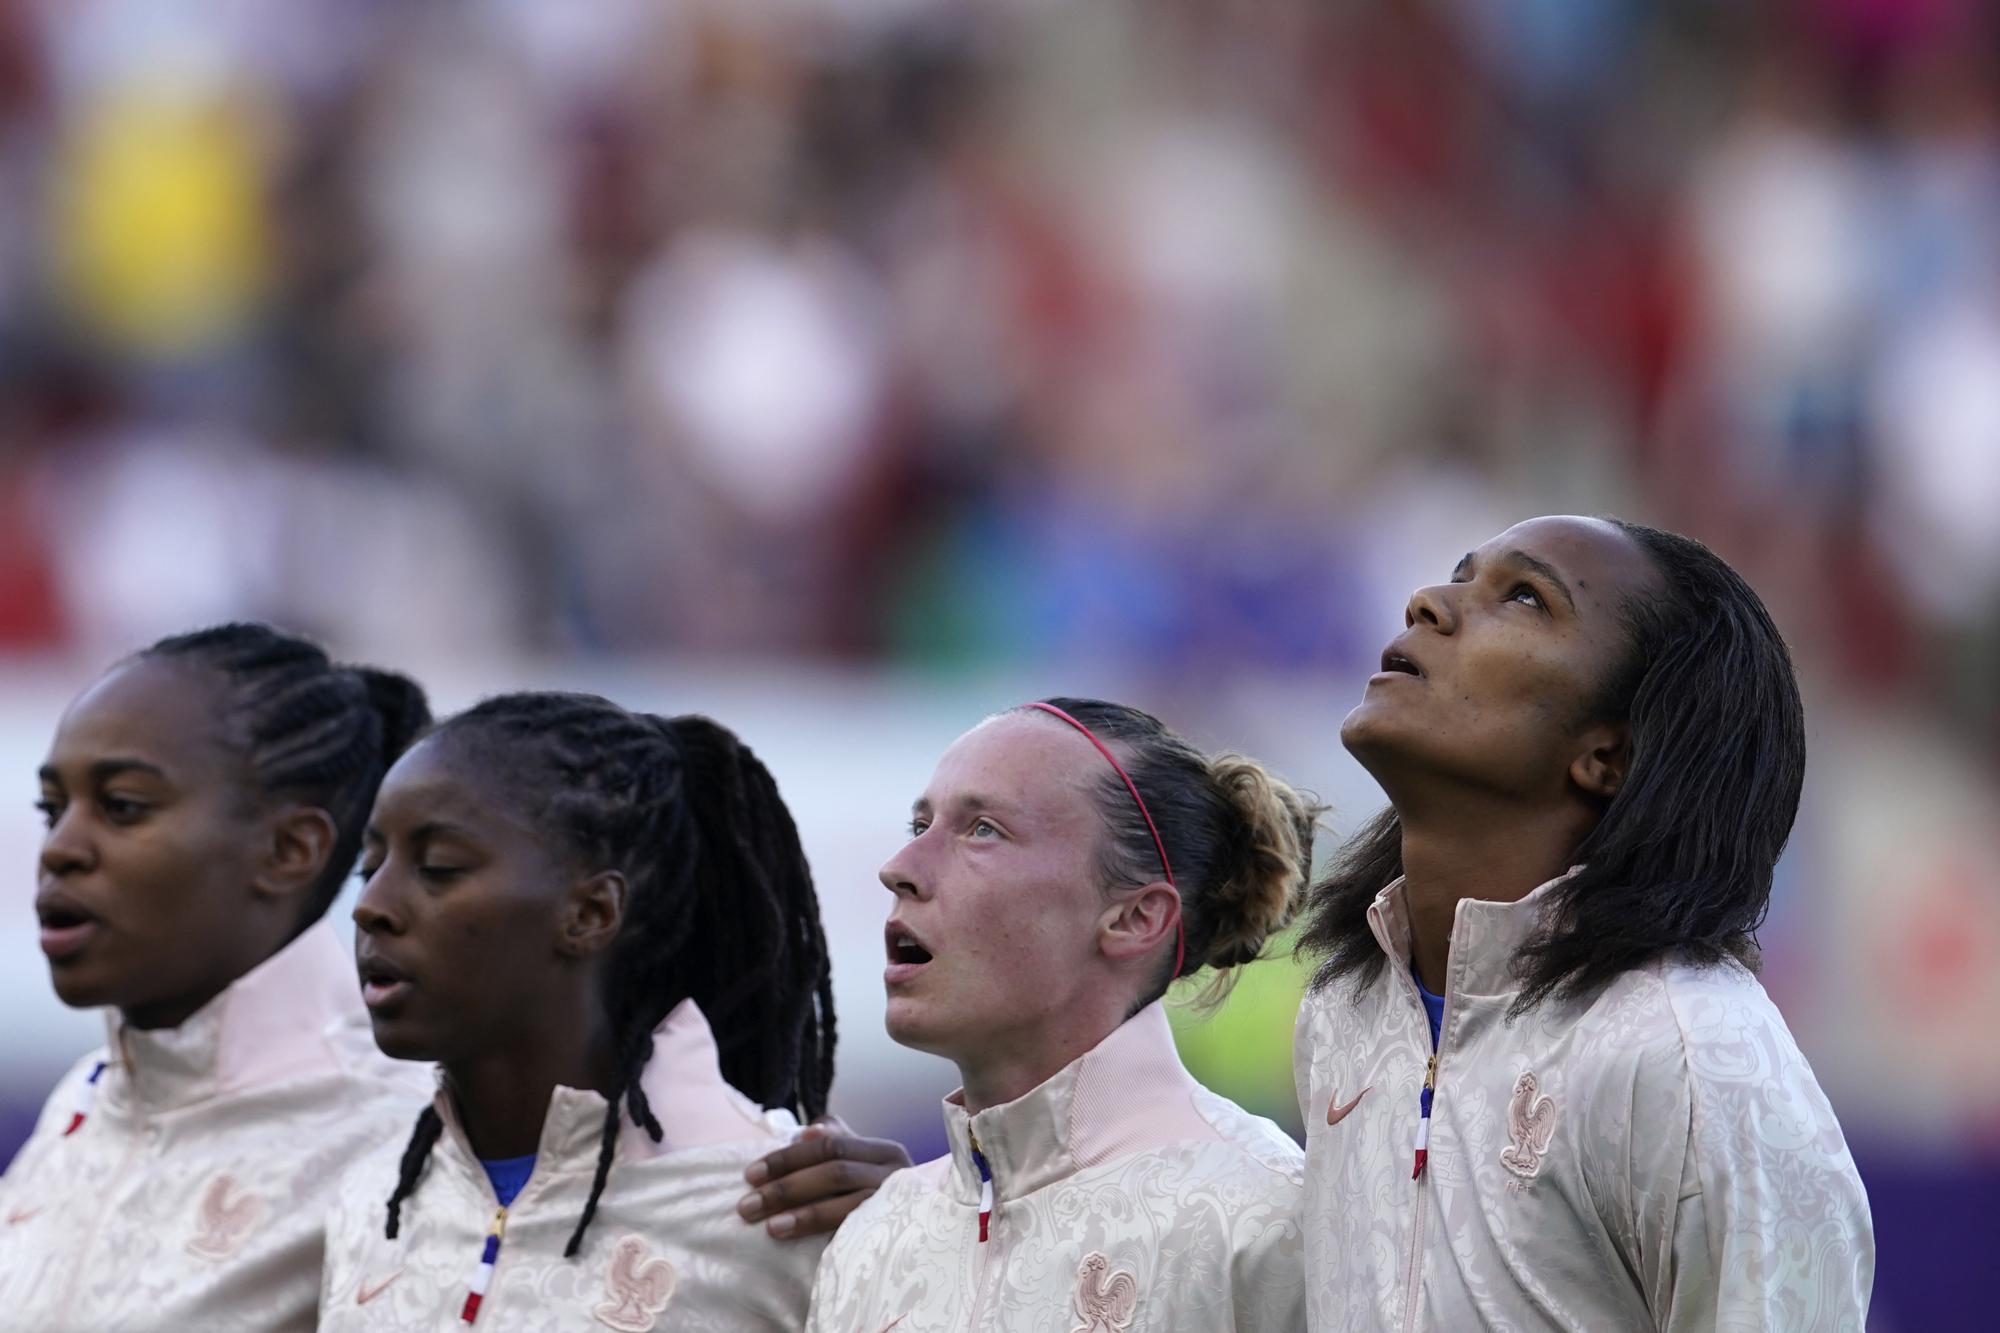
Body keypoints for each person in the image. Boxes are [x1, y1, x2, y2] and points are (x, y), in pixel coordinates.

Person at [1294, 515, 1874, 1330]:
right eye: (1459, 575)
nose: (1427, 601)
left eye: (1525, 597)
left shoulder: (1696, 1052)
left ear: (1611, 754)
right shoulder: (1340, 1011)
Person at [321, 691, 839, 1330]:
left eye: (438, 867)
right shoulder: (371, 1200)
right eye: (368, 868)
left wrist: (928, 1221)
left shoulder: (784, 1209)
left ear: (590, 913)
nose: (370, 905)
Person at [807, 697, 1317, 1332]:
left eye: (982, 829)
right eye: (920, 828)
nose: (898, 869)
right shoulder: (872, 1241)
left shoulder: (1269, 1218)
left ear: (1135, 919)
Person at [0, 623, 431, 1333]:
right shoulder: (81, 1102)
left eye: (123, 807)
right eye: (54, 809)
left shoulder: (403, 1142)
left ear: (290, 848)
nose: (62, 848)